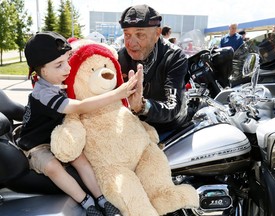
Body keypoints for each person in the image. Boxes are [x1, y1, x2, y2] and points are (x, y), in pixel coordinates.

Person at [17, 31, 138, 216]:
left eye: (67, 60)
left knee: (79, 157)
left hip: (56, 137)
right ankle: (86, 201)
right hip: (35, 145)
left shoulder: (58, 82)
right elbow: (79, 107)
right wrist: (116, 94)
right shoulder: (44, 93)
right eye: (59, 65)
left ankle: (102, 199)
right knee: (52, 167)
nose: (67, 68)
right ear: (41, 70)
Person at [118, 4, 189, 141]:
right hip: (136, 126)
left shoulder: (174, 56)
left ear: (157, 34)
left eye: (139, 34)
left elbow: (172, 106)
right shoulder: (121, 56)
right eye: (127, 34)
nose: (131, 43)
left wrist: (142, 106)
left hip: (169, 129)